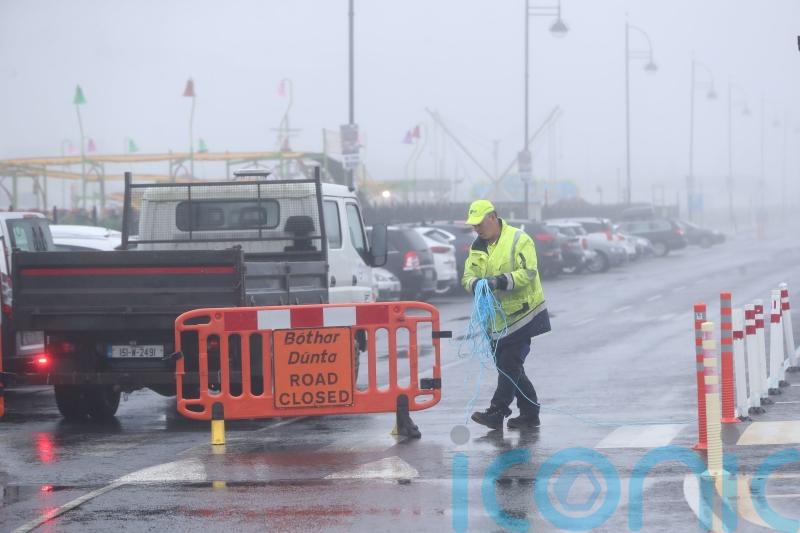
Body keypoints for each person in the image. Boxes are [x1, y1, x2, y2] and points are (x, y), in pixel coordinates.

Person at [462, 199, 551, 430]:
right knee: (509, 367)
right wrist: (475, 284)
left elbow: (529, 272)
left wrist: (500, 281)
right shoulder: (476, 247)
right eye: (474, 226)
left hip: (524, 314)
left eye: (480, 224)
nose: (477, 229)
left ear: (493, 217)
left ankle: (497, 410)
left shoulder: (519, 239)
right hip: (496, 320)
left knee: (509, 364)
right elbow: (467, 276)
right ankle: (530, 413)